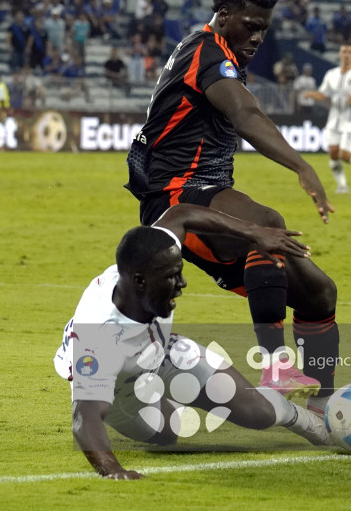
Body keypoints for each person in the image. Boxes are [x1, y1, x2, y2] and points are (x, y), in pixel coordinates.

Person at [125, 0, 337, 413]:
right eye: (251, 25)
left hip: (207, 192)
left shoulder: (216, 53)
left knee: (319, 293)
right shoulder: (207, 52)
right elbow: (246, 114)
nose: (258, 36)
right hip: (175, 197)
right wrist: (301, 166)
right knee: (265, 223)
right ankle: (276, 367)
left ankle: (323, 405)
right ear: (223, 15)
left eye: (265, 28)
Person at [53, 203, 332, 480]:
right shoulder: (98, 343)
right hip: (122, 389)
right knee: (168, 433)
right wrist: (113, 472)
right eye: (172, 276)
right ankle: (167, 399)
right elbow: (84, 419)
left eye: (180, 270)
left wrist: (254, 232)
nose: (183, 283)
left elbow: (181, 214)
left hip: (161, 352)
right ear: (140, 282)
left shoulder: (149, 256)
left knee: (257, 412)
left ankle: (319, 426)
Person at [303, 43, 351, 194]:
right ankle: (342, 186)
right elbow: (324, 94)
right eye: (344, 52)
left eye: (350, 52)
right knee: (334, 154)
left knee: (345, 155)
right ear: (339, 55)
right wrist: (311, 94)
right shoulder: (332, 74)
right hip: (334, 118)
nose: (346, 55)